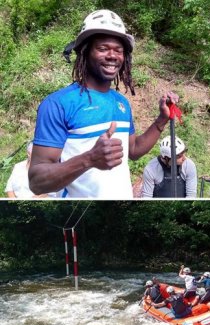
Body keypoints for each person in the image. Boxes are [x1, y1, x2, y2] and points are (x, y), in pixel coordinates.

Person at [29, 10, 178, 198]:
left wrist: (161, 120)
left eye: (118, 50)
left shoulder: (121, 102)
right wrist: (89, 159)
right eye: (103, 48)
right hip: (83, 214)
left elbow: (133, 151)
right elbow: (36, 182)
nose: (112, 56)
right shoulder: (58, 104)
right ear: (85, 51)